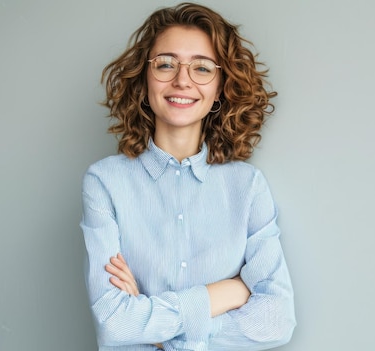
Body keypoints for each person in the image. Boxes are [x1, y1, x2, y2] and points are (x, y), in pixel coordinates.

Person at [80, 3, 296, 350]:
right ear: (144, 78)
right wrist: (228, 292)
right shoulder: (105, 182)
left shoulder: (247, 186)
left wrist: (158, 330)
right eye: (166, 64)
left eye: (202, 68)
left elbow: (277, 320)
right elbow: (115, 324)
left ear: (219, 88)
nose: (182, 80)